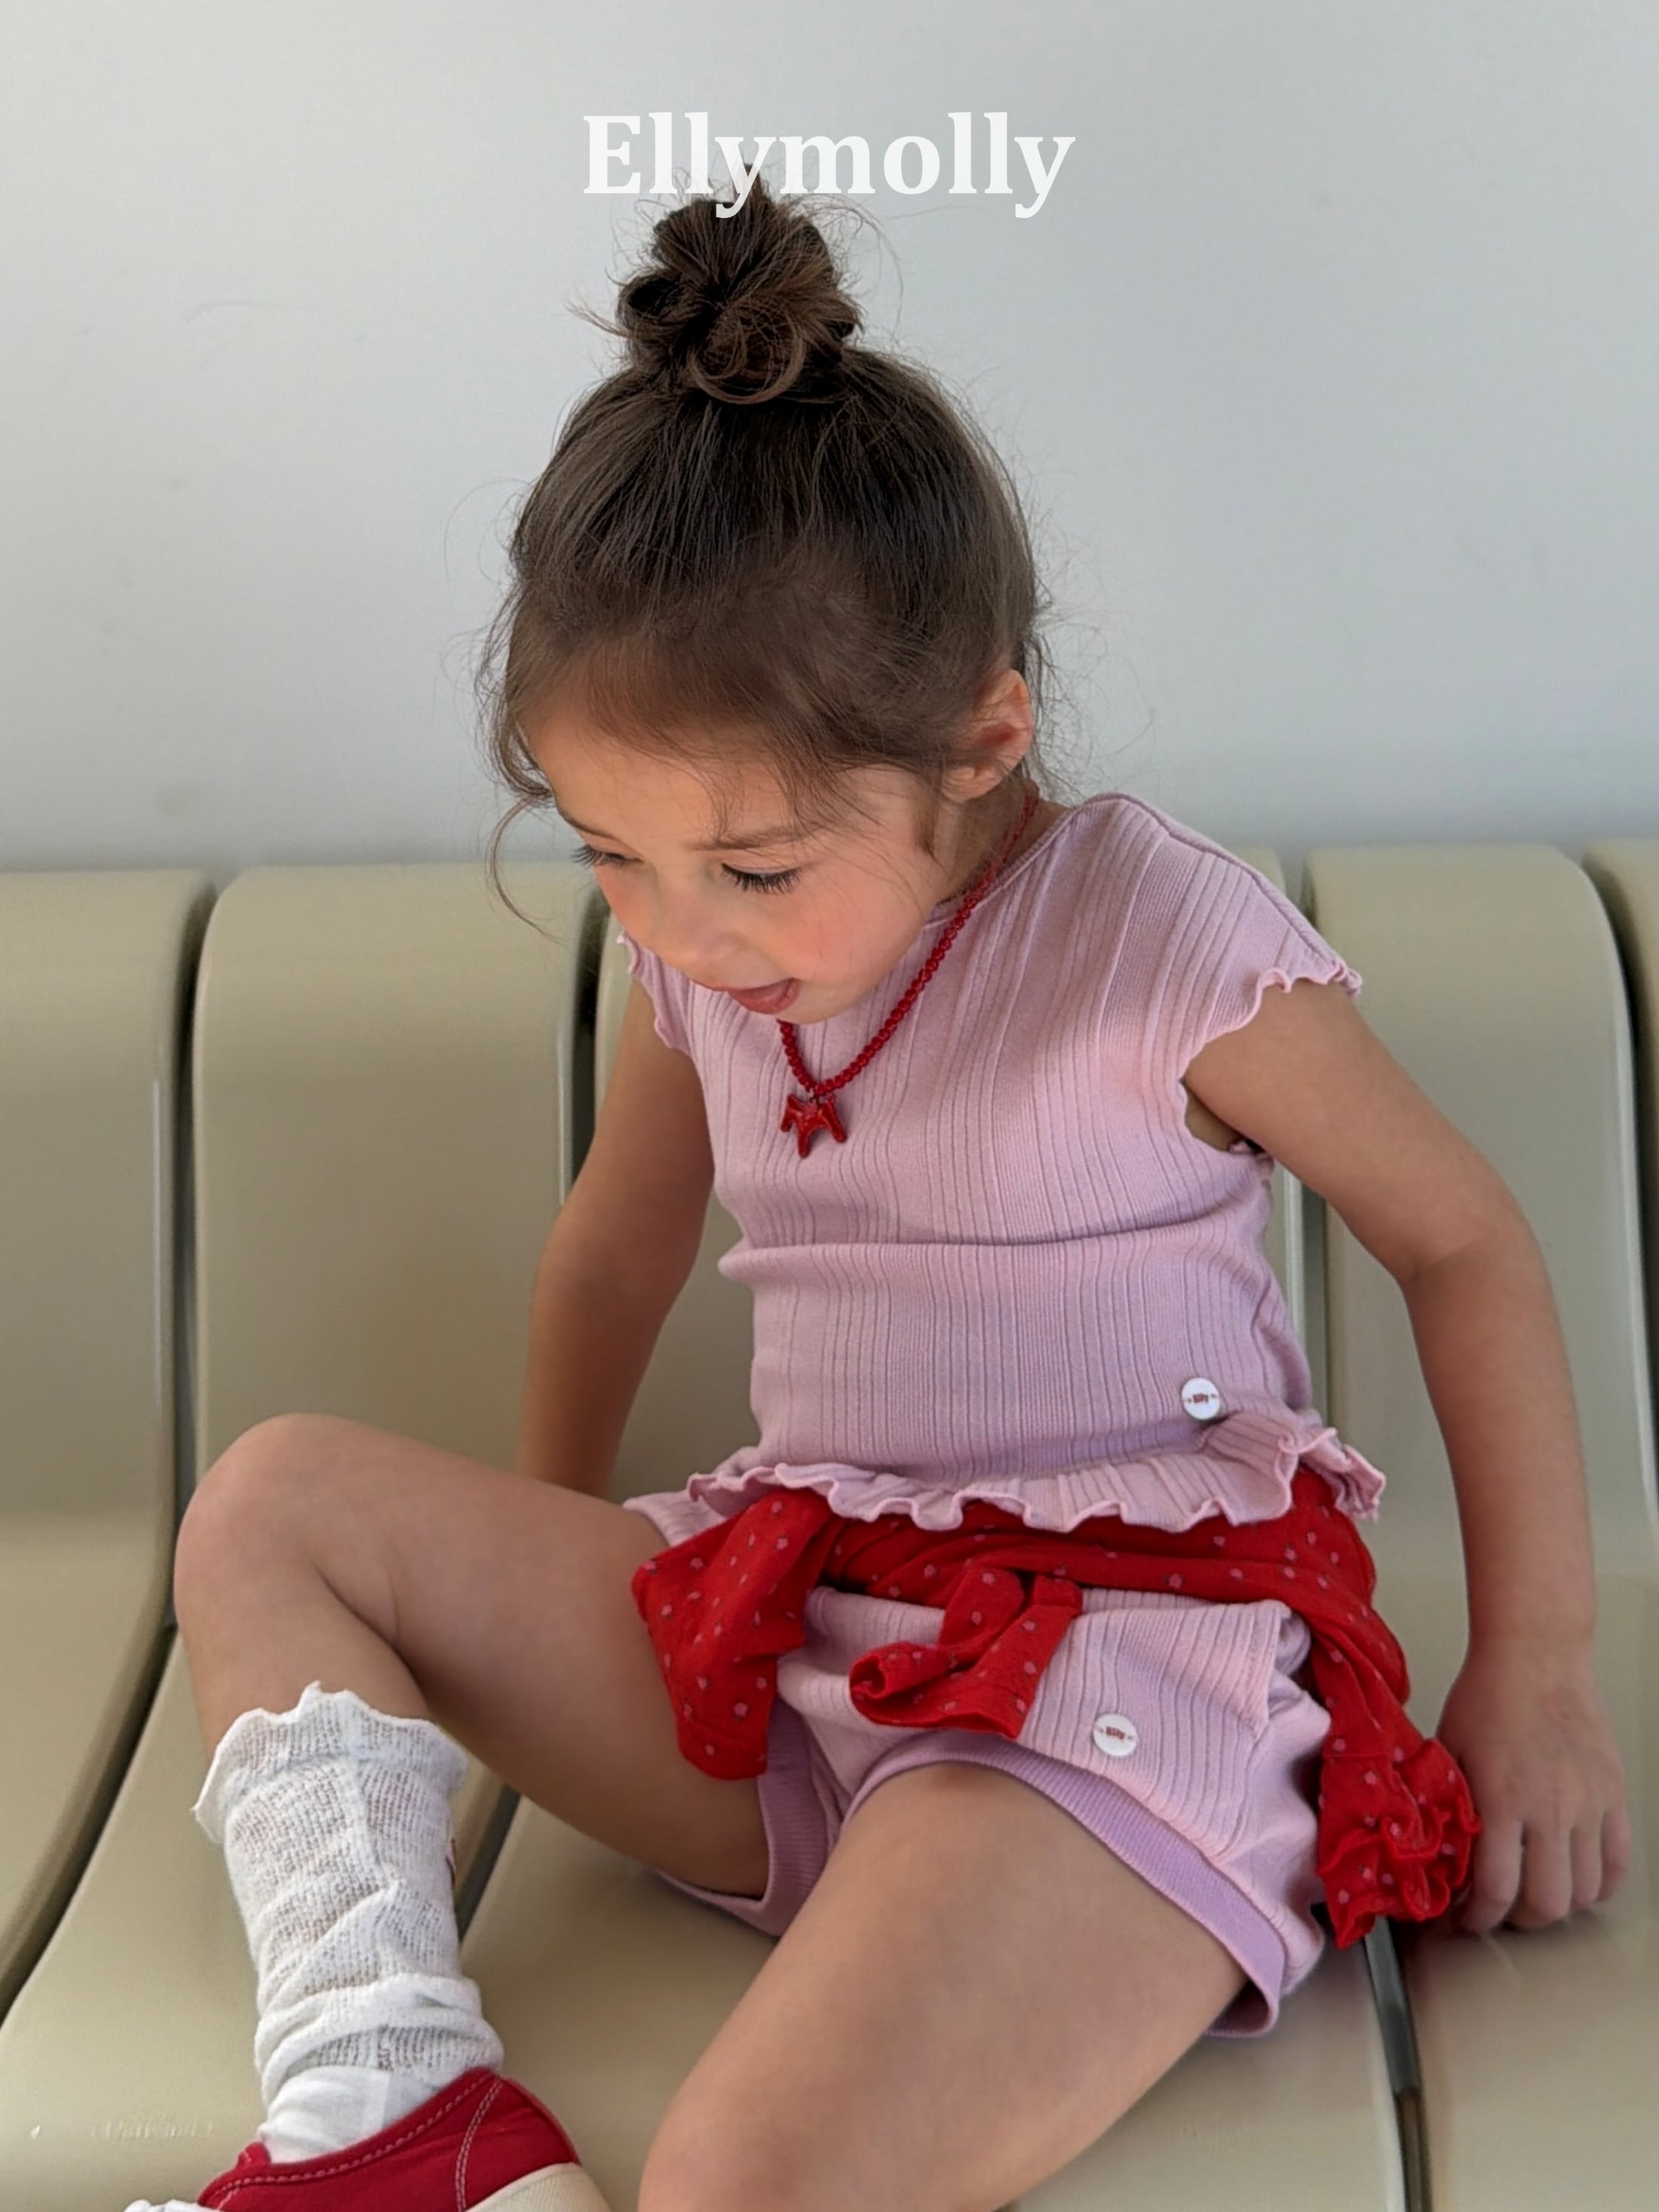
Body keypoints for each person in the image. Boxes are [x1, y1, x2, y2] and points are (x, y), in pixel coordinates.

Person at [129, 175, 1630, 2212]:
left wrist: (1539, 1660)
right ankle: (384, 2098)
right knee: (269, 1504)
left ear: (984, 735)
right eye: (609, 854)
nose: (684, 931)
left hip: (1103, 1683)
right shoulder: (705, 970)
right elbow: (614, 1251)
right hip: (800, 1617)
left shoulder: (1159, 939)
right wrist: (550, 1587)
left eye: (752, 867)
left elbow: (1460, 1239)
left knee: (739, 2182)